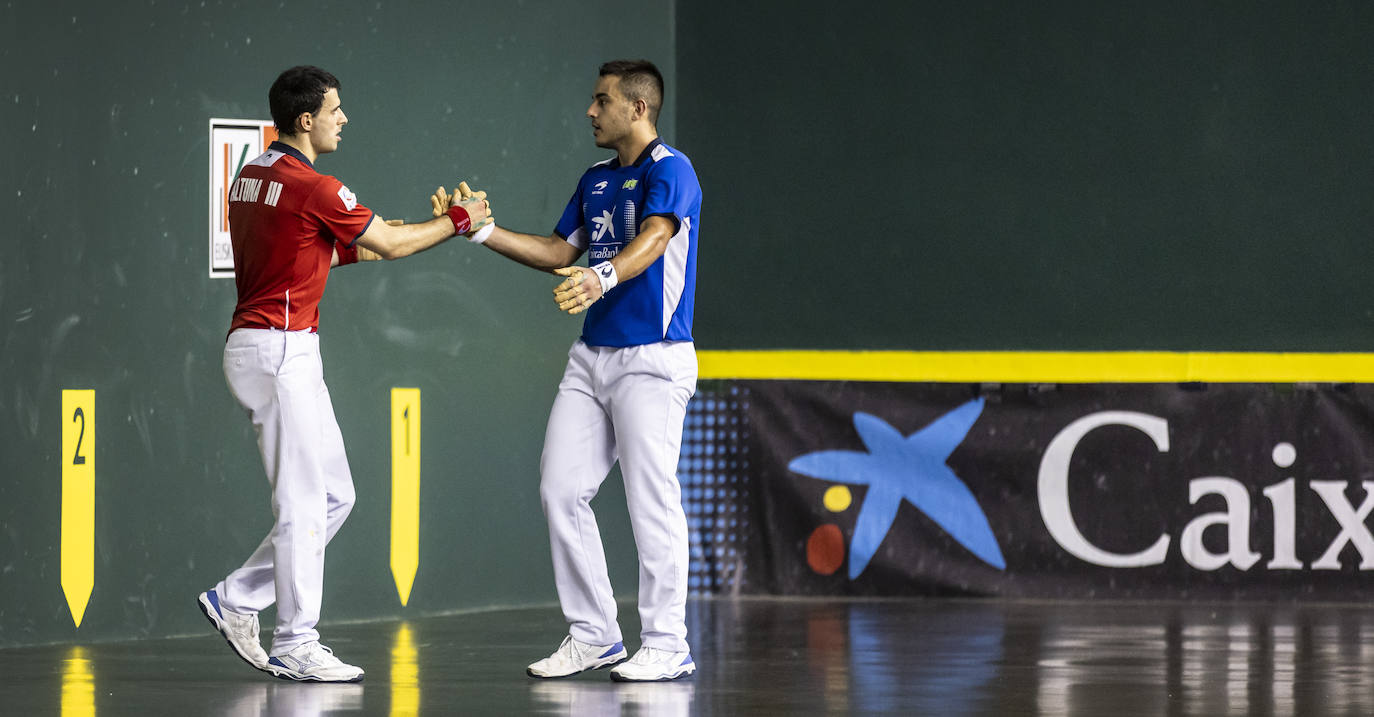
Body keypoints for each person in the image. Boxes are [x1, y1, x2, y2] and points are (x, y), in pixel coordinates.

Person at [198, 65, 488, 683]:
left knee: (334, 496)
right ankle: (296, 641)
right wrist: (461, 222)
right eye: (335, 109)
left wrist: (426, 229)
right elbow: (388, 246)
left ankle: (238, 599)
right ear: (306, 119)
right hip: (280, 353)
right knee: (303, 501)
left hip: (266, 348)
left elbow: (344, 246)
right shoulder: (317, 186)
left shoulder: (252, 178)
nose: (343, 118)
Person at [436, 59, 701, 682]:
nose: (590, 110)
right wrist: (482, 232)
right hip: (592, 358)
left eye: (601, 100)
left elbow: (659, 235)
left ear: (637, 108)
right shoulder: (595, 179)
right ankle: (595, 634)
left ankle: (666, 641)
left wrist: (602, 274)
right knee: (560, 488)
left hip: (653, 358)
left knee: (650, 499)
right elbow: (560, 251)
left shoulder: (672, 170)